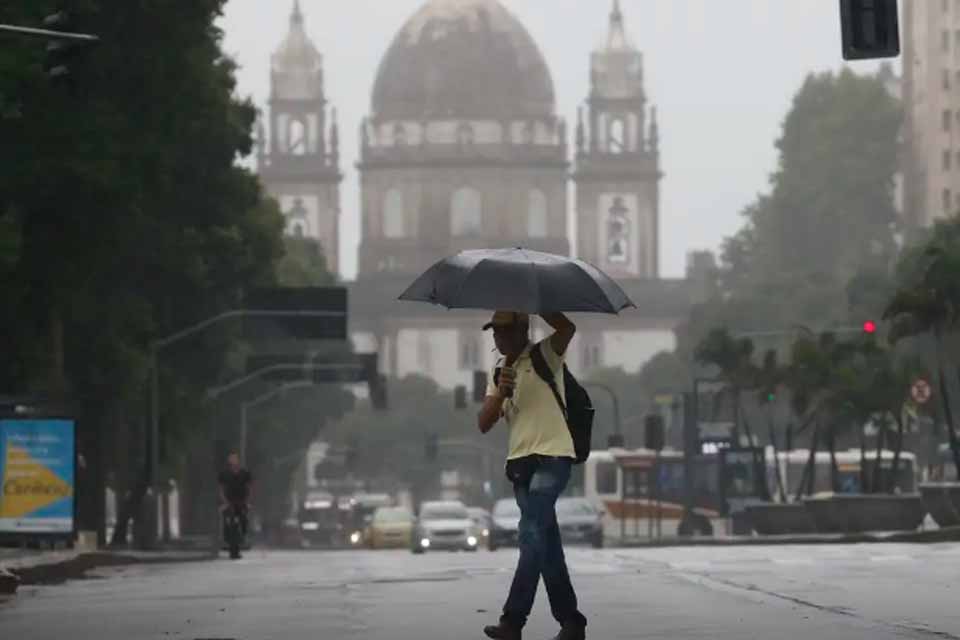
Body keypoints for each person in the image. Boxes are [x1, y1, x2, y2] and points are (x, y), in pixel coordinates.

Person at [478, 310, 588, 640]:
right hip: (520, 464)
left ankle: (513, 621)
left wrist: (543, 303)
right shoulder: (498, 372)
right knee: (546, 544)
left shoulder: (544, 354)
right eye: (494, 332)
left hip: (553, 457)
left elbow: (568, 327)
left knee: (530, 534)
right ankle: (571, 621)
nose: (498, 338)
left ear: (522, 331)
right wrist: (500, 392)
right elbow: (483, 423)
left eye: (504, 331)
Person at [218, 452, 253, 559]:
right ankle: (228, 543)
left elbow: (250, 488)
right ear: (229, 460)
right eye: (231, 458)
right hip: (229, 503)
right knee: (227, 524)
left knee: (243, 521)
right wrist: (224, 501)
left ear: (238, 460)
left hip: (241, 502)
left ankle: (243, 537)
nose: (233, 460)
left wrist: (247, 501)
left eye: (235, 458)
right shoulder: (224, 474)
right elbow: (221, 489)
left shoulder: (245, 473)